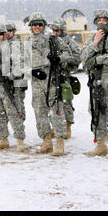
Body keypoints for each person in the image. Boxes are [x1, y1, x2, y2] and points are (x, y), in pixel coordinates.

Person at [26, 12, 73, 156]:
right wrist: (31, 72)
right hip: (37, 83)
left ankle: (59, 142)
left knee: (56, 112)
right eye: (34, 25)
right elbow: (19, 64)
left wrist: (58, 58)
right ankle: (46, 141)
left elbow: (69, 53)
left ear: (44, 26)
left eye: (40, 24)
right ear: (31, 26)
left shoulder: (53, 39)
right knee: (40, 113)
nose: (37, 27)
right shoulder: (27, 43)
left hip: (52, 81)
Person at [81, 9, 108, 160]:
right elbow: (83, 56)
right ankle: (101, 146)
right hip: (95, 83)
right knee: (96, 113)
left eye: (104, 20)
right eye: (99, 20)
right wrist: (95, 43)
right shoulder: (92, 38)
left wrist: (98, 60)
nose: (101, 23)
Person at [0, 23, 26, 152]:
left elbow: (20, 65)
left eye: (0, 34)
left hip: (9, 86)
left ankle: (20, 140)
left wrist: (7, 74)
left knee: (14, 113)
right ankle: (3, 139)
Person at [50, 17, 81, 139]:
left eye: (58, 30)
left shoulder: (70, 43)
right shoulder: (50, 41)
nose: (56, 32)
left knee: (66, 103)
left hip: (65, 76)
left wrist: (63, 60)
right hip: (51, 77)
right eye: (54, 30)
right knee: (52, 103)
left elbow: (77, 58)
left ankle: (68, 127)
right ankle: (55, 127)